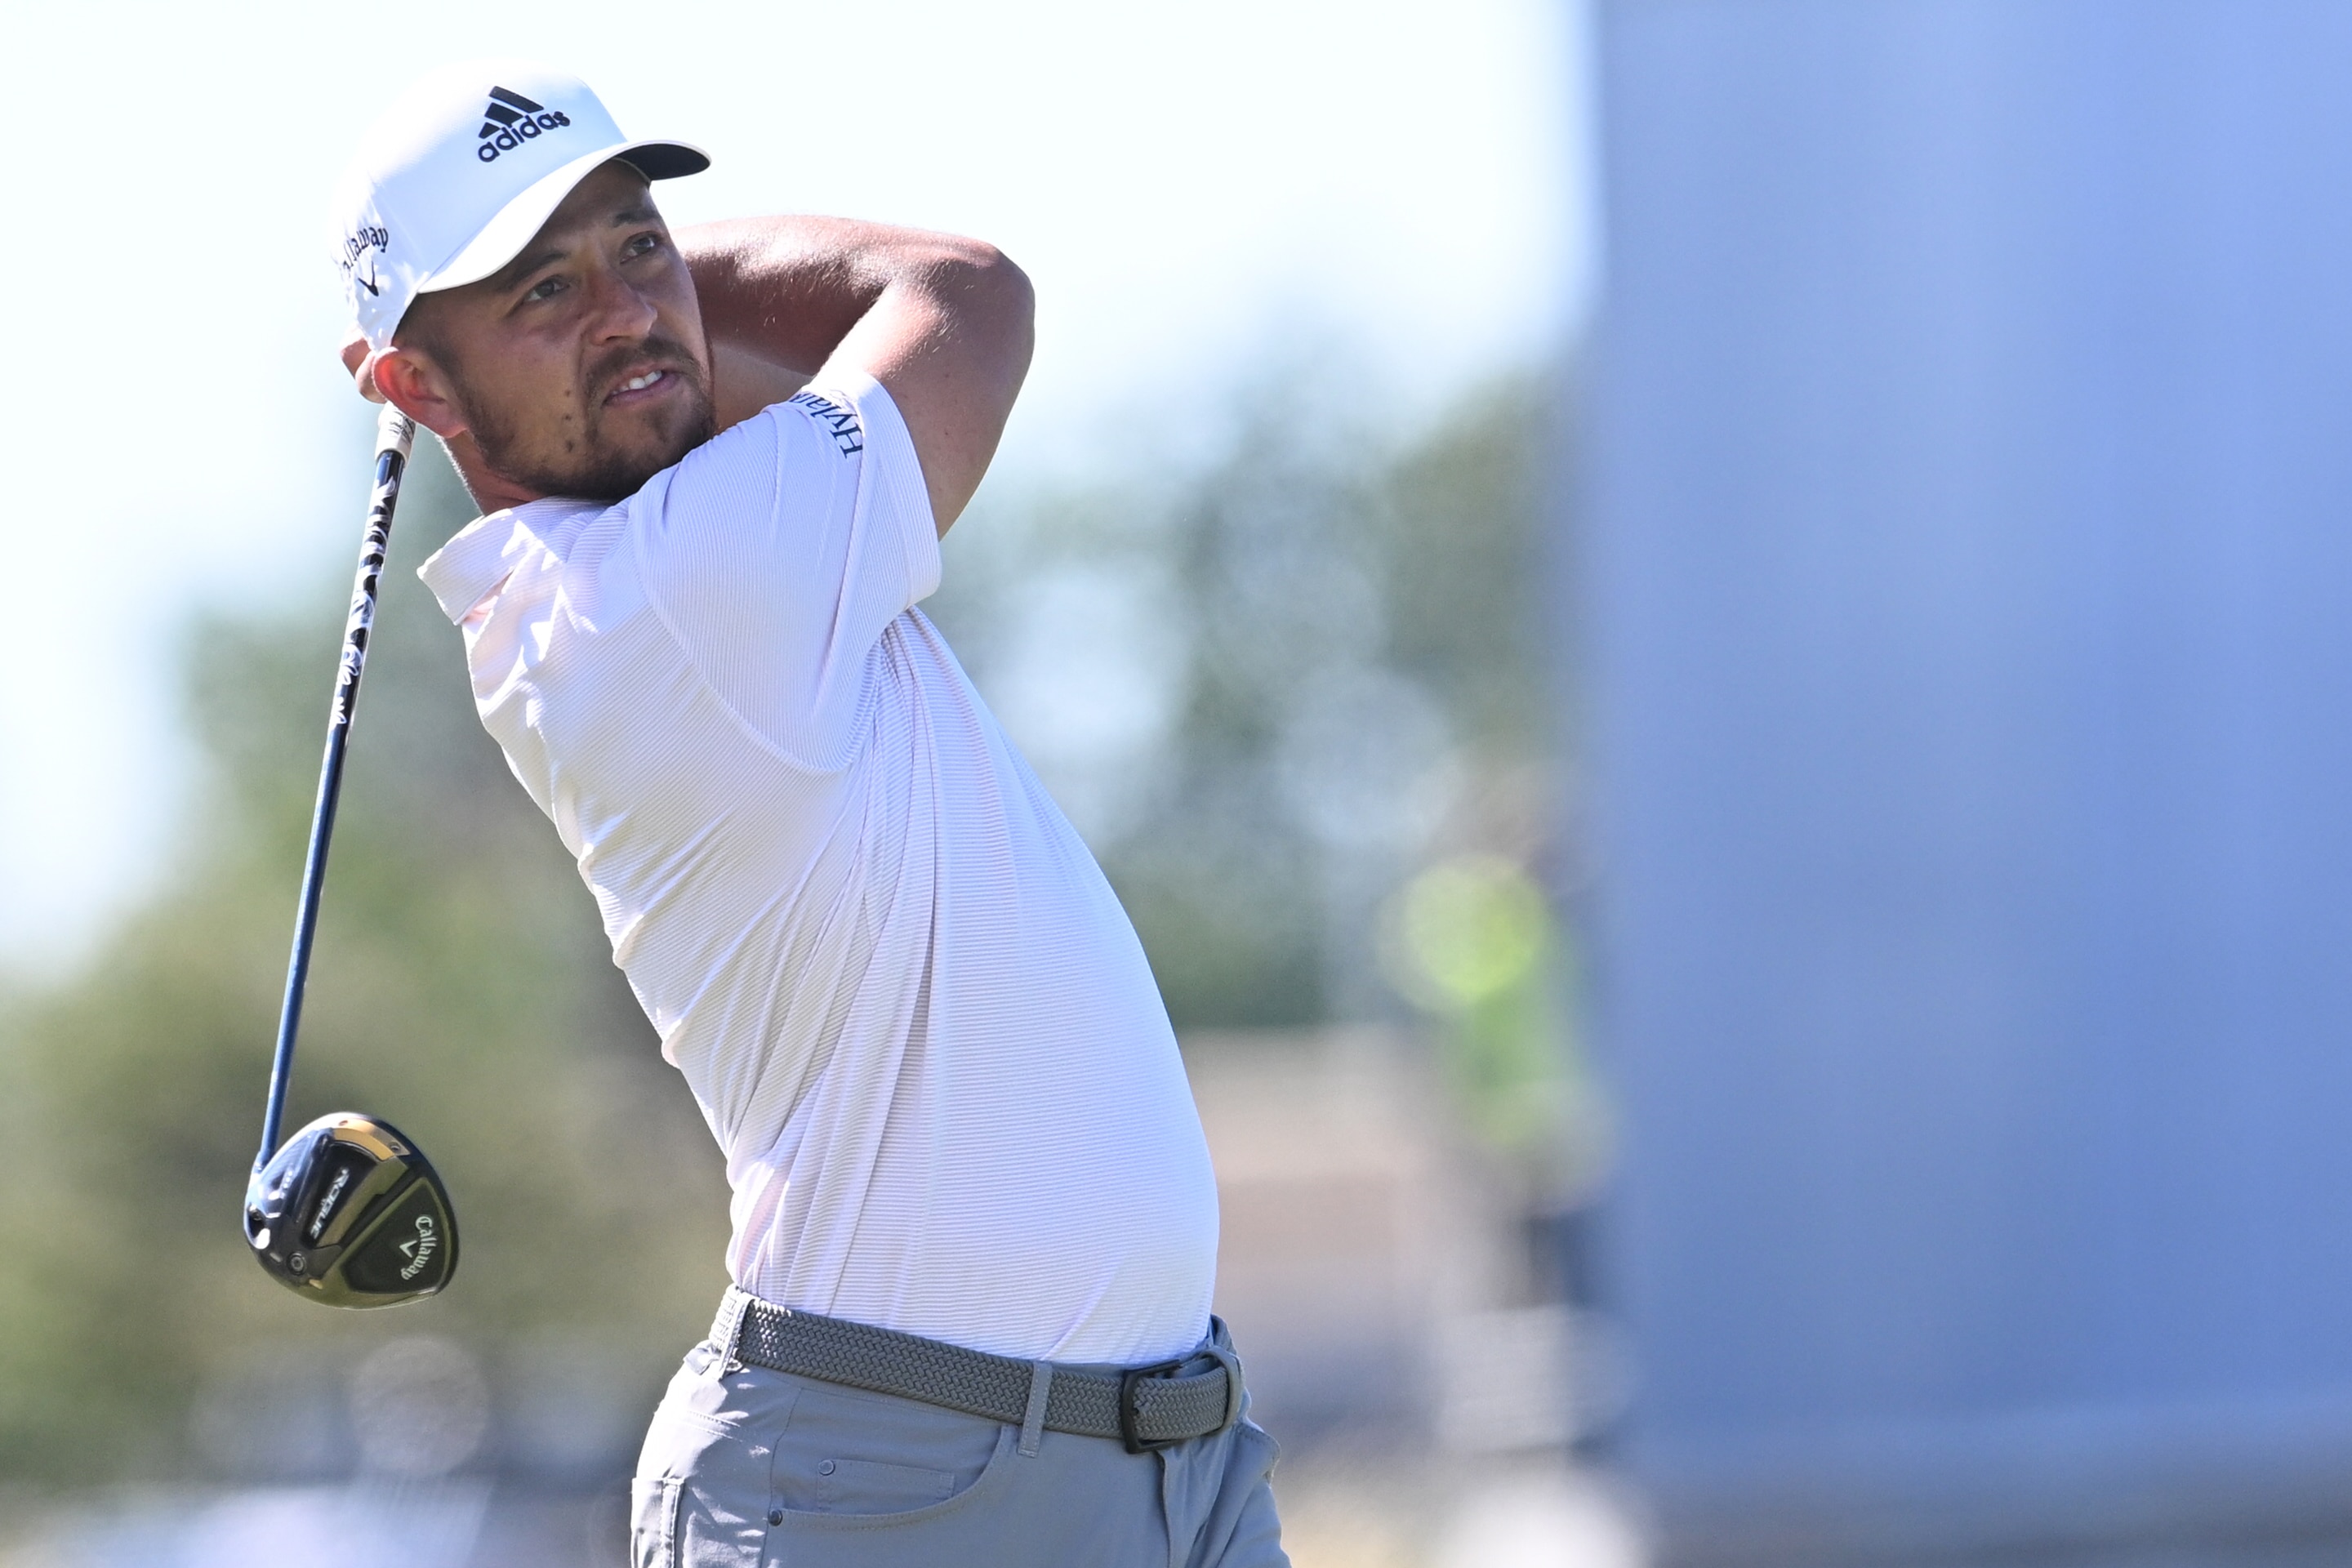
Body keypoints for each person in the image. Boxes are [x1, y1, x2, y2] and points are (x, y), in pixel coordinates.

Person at [329, 60, 1288, 1568]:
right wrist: (657, 313)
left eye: (640, 243)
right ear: (414, 388)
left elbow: (742, 360)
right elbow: (959, 295)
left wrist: (598, 317)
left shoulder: (675, 540)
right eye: (537, 290)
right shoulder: (680, 588)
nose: (624, 310)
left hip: (1163, 1464)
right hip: (888, 1486)